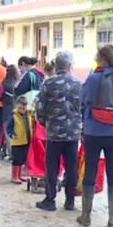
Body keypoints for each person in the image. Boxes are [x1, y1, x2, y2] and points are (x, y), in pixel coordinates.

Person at [77, 45, 113, 227]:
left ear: (101, 59)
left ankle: (86, 216)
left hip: (94, 130)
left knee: (91, 168)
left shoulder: (93, 78)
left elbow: (83, 99)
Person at [35, 51, 82, 212]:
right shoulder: (79, 83)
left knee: (52, 166)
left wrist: (43, 122)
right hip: (73, 133)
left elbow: (39, 106)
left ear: (56, 65)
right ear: (70, 66)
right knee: (72, 166)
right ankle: (70, 201)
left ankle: (50, 199)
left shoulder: (49, 83)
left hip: (54, 132)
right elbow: (84, 107)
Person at [8, 96, 35, 184]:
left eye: (24, 107)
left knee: (23, 159)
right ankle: (14, 176)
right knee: (17, 159)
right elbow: (9, 128)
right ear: (16, 106)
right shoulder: (14, 116)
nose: (22, 109)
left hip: (26, 140)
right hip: (17, 142)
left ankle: (19, 175)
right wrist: (12, 134)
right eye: (20, 107)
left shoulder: (29, 114)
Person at [0, 64, 20, 159]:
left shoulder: (4, 83)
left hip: (7, 109)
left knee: (7, 131)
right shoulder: (19, 82)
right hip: (18, 109)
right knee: (17, 130)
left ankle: (11, 153)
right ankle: (15, 152)